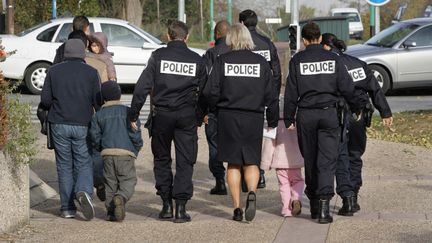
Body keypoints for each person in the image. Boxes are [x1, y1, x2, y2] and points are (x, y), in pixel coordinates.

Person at [129, 20, 207, 223]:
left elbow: (142, 87)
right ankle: (180, 208)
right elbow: (206, 93)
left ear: (167, 35)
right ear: (187, 37)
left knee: (162, 160)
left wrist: (133, 114)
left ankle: (165, 206)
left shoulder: (158, 56)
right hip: (186, 116)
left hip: (161, 115)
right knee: (185, 161)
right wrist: (199, 116)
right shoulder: (196, 59)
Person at [283, 22, 359, 224]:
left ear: (305, 40)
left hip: (306, 115)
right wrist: (357, 107)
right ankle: (324, 209)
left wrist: (289, 117)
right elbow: (347, 86)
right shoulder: (333, 59)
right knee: (326, 161)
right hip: (329, 115)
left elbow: (291, 92)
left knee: (310, 159)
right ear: (318, 39)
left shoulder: (297, 60)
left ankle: (315, 205)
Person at [203, 23, 278, 222]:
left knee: (233, 163)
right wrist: (272, 119)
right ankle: (251, 192)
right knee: (252, 161)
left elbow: (210, 91)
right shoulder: (260, 63)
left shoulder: (222, 61)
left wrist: (212, 109)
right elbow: (271, 95)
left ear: (230, 39)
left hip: (228, 116)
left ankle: (237, 207)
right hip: (253, 117)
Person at [321, 33, 393, 216]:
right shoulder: (358, 63)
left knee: (341, 155)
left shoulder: (330, 66)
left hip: (338, 114)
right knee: (355, 154)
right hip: (359, 115)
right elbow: (375, 89)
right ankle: (354, 194)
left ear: (327, 47)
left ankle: (348, 198)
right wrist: (385, 112)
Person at [40, 39, 101, 220]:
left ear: (66, 53)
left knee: (64, 165)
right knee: (83, 161)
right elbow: (97, 101)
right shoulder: (91, 73)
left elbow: (45, 100)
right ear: (83, 53)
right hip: (83, 123)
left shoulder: (54, 71)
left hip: (59, 123)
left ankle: (67, 208)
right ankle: (83, 191)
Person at [239, 9, 282, 189]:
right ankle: (259, 173)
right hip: (264, 97)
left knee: (242, 137)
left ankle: (245, 174)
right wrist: (273, 94)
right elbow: (277, 72)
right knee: (260, 136)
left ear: (241, 23)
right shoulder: (267, 43)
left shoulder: (240, 43)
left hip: (243, 97)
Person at [90, 81, 143, 222]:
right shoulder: (128, 112)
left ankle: (111, 212)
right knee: (128, 180)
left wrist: (101, 148)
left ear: (103, 98)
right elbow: (135, 134)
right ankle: (122, 197)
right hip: (125, 153)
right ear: (119, 95)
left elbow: (95, 137)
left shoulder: (98, 115)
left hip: (107, 153)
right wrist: (136, 148)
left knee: (110, 183)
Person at [260, 96, 304, 217]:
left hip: (280, 161)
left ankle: (286, 209)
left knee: (283, 185)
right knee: (298, 181)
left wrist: (266, 162)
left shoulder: (274, 123)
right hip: (295, 160)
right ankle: (296, 198)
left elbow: (269, 145)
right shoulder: (296, 122)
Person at [202, 20, 231, 195]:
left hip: (213, 109)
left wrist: (203, 111)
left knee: (214, 146)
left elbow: (204, 83)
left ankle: (220, 181)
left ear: (217, 34)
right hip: (234, 109)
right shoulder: (237, 53)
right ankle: (242, 180)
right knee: (236, 143)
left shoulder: (210, 55)